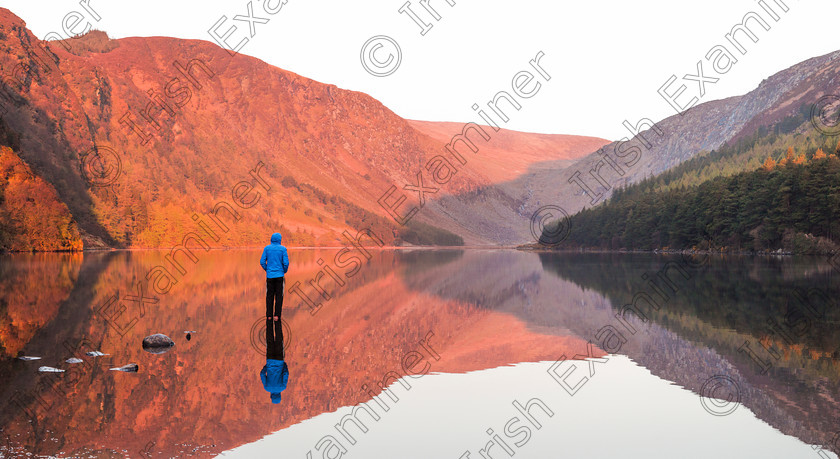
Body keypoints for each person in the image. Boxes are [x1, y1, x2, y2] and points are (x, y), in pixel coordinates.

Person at [260, 232, 289, 322]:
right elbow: (286, 263)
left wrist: (267, 270)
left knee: (269, 296)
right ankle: (276, 316)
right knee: (279, 296)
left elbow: (262, 262)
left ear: (271, 239)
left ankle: (269, 316)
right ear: (279, 239)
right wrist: (283, 271)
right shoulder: (283, 249)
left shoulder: (267, 248)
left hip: (270, 276)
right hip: (280, 276)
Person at [261, 317, 289, 404]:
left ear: (279, 396)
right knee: (269, 340)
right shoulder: (267, 388)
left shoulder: (283, 387)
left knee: (279, 339)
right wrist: (267, 366)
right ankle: (269, 319)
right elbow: (262, 374)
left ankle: (277, 320)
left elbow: (286, 373)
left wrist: (284, 364)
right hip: (269, 360)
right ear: (272, 397)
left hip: (280, 360)